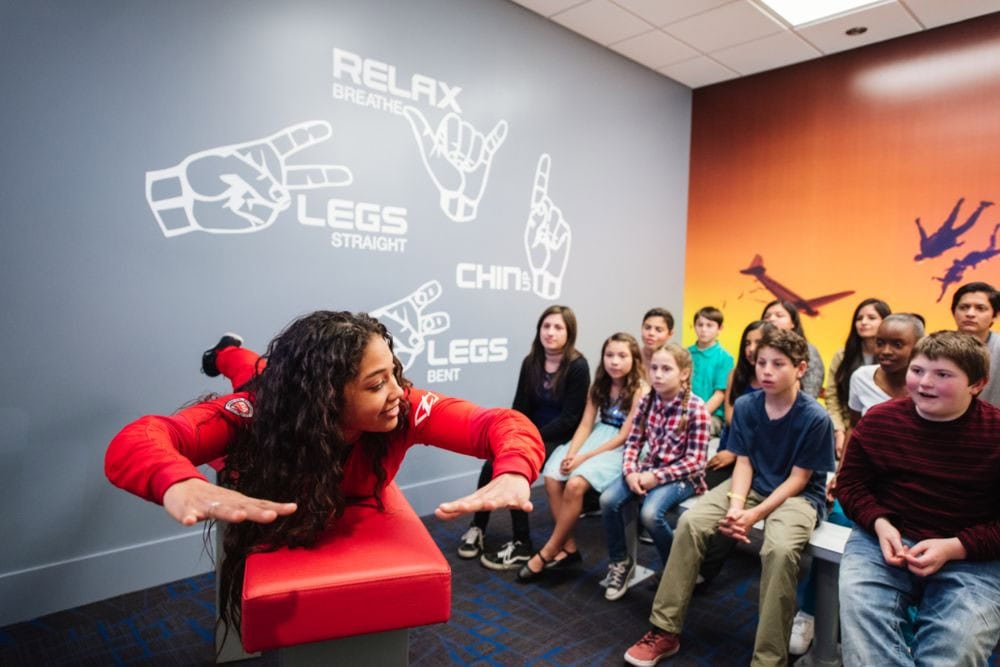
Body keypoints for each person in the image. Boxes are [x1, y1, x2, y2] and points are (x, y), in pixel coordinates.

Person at [104, 311, 545, 637]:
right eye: (376, 384)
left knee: (258, 368)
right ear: (323, 398)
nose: (397, 392)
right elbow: (140, 438)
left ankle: (230, 351)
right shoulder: (253, 416)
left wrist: (514, 469)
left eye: (393, 373)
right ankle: (223, 351)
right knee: (249, 371)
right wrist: (178, 480)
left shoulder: (404, 408)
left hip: (291, 395)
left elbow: (500, 424)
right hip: (270, 406)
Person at [623, 327, 835, 667]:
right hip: (750, 485)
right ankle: (664, 630)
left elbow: (798, 480)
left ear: (800, 368)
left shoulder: (814, 417)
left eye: (778, 364)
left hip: (797, 497)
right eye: (761, 362)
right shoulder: (749, 405)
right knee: (692, 523)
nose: (766, 370)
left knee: (779, 551)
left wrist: (753, 515)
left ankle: (768, 660)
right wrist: (737, 507)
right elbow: (745, 462)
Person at [837, 331, 1000, 666]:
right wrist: (881, 524)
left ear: (977, 383)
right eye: (918, 370)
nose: (924, 383)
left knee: (956, 648)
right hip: (884, 540)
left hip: (973, 555)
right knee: (865, 638)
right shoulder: (880, 420)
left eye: (942, 374)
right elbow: (850, 486)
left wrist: (956, 546)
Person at [789, 312, 923, 657]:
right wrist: (842, 474)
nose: (887, 350)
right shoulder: (863, 376)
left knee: (900, 559)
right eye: (881, 342)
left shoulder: (924, 384)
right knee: (831, 538)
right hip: (866, 480)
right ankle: (811, 610)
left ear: (916, 347)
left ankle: (896, 630)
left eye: (898, 344)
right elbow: (855, 431)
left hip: (908, 489)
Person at [461, 305, 590, 570]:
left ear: (570, 332)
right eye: (546, 326)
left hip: (561, 438)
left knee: (516, 469)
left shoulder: (578, 366)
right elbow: (520, 407)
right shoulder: (530, 362)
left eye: (558, 327)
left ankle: (522, 543)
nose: (551, 333)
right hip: (529, 434)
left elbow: (570, 419)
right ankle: (478, 527)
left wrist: (529, 439)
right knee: (491, 464)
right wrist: (513, 436)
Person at [516, 333, 646, 582]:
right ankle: (569, 547)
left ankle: (549, 550)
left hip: (623, 445)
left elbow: (623, 436)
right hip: (597, 436)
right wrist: (573, 452)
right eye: (609, 355)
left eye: (622, 356)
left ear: (634, 359)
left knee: (575, 483)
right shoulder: (599, 384)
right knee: (553, 474)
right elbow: (586, 424)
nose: (614, 362)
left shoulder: (640, 390)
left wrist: (583, 458)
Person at [600, 342, 710, 601]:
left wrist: (655, 477)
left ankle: (680, 570)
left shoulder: (696, 408)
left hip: (684, 478)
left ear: (683, 373)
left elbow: (695, 462)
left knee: (650, 514)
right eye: (654, 368)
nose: (658, 375)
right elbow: (634, 442)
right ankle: (621, 563)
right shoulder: (647, 401)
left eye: (666, 369)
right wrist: (630, 472)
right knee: (608, 500)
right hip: (648, 470)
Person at [698, 320, 766, 584]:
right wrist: (734, 454)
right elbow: (731, 418)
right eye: (747, 343)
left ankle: (705, 569)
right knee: (697, 488)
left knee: (732, 505)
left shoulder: (777, 379)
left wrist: (737, 456)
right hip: (730, 451)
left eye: (757, 343)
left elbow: (768, 433)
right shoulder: (735, 374)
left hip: (754, 461)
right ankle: (687, 560)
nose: (751, 349)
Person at [825, 298, 891, 459]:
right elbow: (831, 396)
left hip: (883, 431)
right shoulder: (842, 356)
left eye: (871, 318)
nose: (863, 322)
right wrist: (839, 430)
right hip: (848, 427)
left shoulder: (893, 357)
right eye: (859, 318)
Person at [761, 300, 824, 398]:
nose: (771, 319)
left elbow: (811, 391)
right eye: (767, 316)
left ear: (793, 323)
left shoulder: (809, 350)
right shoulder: (757, 348)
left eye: (779, 315)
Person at [951, 281, 1000, 408]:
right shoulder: (935, 346)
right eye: (964, 307)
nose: (970, 314)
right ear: (954, 312)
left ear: (995, 315)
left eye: (980, 308)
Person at [688, 306, 734, 437]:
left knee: (695, 431)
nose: (703, 329)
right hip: (685, 412)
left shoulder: (725, 358)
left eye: (709, 325)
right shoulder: (685, 353)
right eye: (700, 325)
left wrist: (697, 416)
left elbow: (720, 394)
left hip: (711, 415)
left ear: (720, 329)